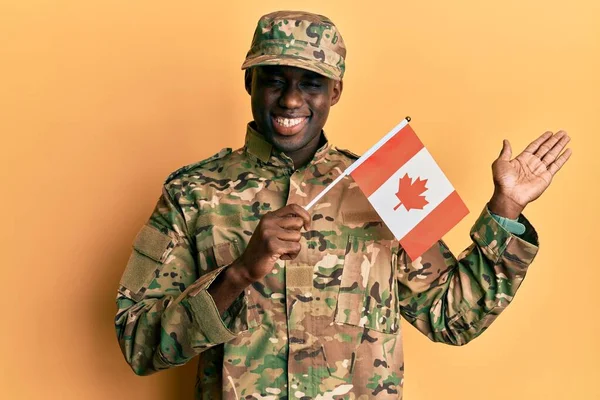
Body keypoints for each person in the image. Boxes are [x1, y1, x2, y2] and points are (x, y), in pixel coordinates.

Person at [114, 10, 571, 399]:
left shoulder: (389, 183)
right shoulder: (193, 193)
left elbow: (452, 317)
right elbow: (139, 344)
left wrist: (506, 209)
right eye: (275, 80)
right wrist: (238, 274)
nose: (291, 99)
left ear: (335, 91)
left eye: (311, 84)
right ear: (250, 82)